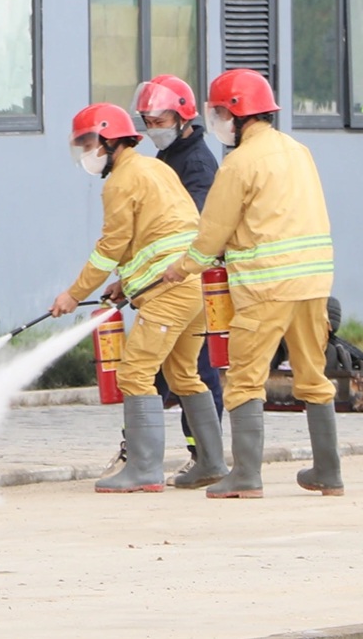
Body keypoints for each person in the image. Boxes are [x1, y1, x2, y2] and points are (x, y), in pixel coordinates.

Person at [161, 69, 341, 499]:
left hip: (266, 287)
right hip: (314, 282)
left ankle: (245, 475)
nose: (218, 121)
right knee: (313, 375)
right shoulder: (298, 150)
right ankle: (328, 472)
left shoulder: (239, 163)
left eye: (220, 112)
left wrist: (182, 268)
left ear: (237, 113)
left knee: (244, 378)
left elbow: (212, 232)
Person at [48, 103, 227, 493]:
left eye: (90, 143)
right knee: (183, 375)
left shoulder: (120, 182)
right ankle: (212, 463)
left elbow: (110, 247)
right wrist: (124, 285)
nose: (87, 154)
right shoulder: (155, 168)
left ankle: (144, 470)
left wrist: (73, 295)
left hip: (169, 293)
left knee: (134, 373)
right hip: (192, 287)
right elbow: (152, 235)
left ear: (111, 140)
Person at [132, 74, 226, 487]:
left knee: (196, 370)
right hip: (166, 282)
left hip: (193, 281)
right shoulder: (167, 159)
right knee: (160, 368)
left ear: (184, 116)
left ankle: (201, 454)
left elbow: (193, 229)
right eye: (148, 120)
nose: (154, 127)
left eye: (161, 119)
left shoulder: (198, 164)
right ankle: (140, 447)